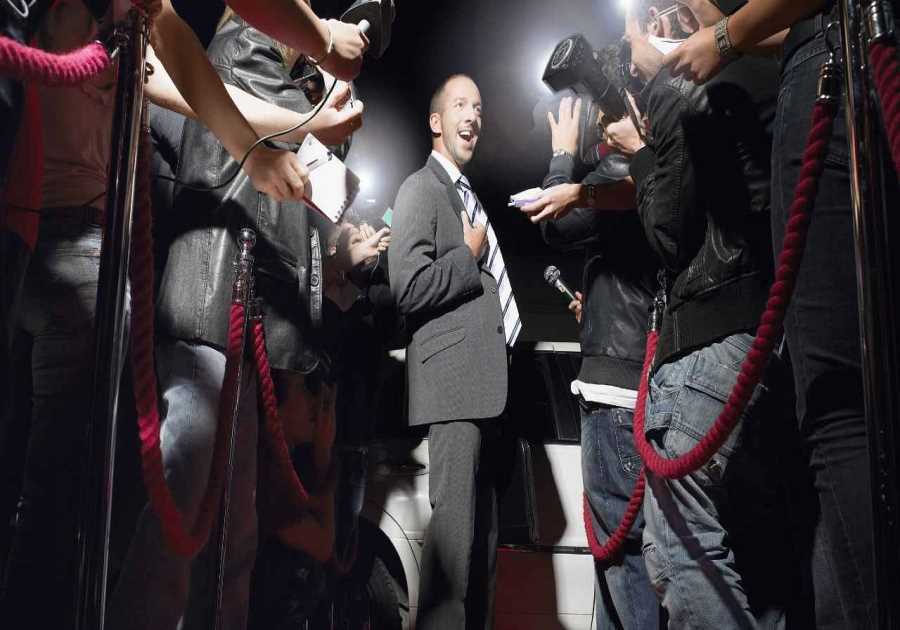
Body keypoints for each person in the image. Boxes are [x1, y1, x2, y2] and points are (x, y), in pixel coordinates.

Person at [107, 11, 360, 629]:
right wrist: (325, 56)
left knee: (229, 526)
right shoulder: (241, 46)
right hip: (211, 306)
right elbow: (301, 136)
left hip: (235, 316)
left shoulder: (254, 64)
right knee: (187, 501)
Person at [665, 1, 877, 626]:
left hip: (722, 323)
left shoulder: (724, 84)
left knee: (838, 417)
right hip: (837, 62)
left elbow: (669, 224)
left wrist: (721, 40)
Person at [612, 1, 800, 627]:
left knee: (681, 553)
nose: (632, 55)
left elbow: (668, 231)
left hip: (708, 345)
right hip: (768, 340)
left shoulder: (690, 86)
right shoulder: (778, 71)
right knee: (761, 566)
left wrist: (642, 144)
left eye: (634, 36)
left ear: (665, 23)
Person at [520, 93, 660, 629]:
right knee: (620, 565)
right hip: (634, 379)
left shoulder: (622, 167)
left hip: (616, 395)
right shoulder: (656, 170)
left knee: (625, 565)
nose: (598, 126)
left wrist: (561, 154)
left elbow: (553, 222)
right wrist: (597, 309)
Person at [389, 74, 519, 629]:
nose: (473, 115)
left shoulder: (468, 196)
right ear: (436, 122)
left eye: (479, 106)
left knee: (480, 558)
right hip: (453, 394)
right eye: (461, 104)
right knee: (452, 558)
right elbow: (407, 287)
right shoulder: (420, 189)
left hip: (487, 396)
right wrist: (467, 256)